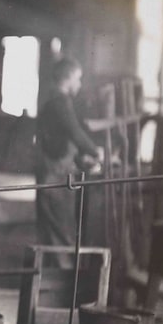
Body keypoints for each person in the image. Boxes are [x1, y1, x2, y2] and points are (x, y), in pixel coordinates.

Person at [35, 57, 103, 268]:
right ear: (68, 77)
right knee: (61, 230)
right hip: (56, 173)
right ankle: (65, 286)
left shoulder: (52, 100)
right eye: (78, 78)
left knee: (55, 229)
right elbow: (74, 132)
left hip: (53, 171)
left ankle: (56, 283)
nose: (79, 84)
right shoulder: (59, 101)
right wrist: (96, 152)